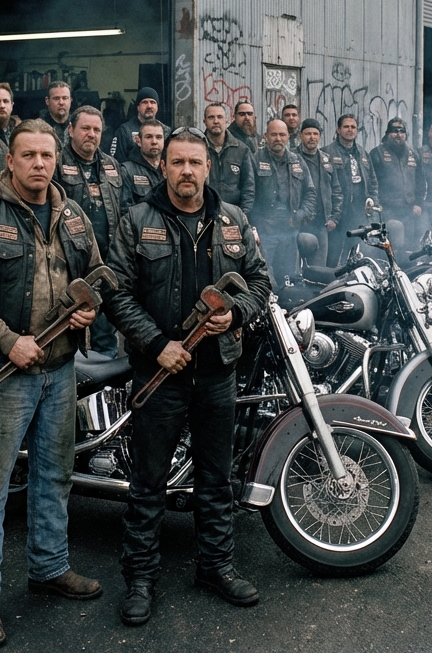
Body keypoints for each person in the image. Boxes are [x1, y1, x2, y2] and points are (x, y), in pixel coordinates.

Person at [0, 120, 103, 649]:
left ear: (57, 160)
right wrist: (6, 339)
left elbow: (97, 276)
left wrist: (87, 311)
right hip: (3, 374)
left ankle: (49, 567)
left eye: (47, 155)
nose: (39, 163)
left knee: (55, 478)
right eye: (28, 155)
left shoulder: (73, 215)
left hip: (59, 372)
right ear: (9, 161)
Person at [106, 127, 271, 626]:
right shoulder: (137, 220)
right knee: (148, 481)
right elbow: (116, 293)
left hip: (218, 371)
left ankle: (215, 567)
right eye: (177, 162)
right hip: (161, 373)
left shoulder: (234, 220)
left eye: (195, 163)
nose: (186, 172)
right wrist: (159, 346)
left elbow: (261, 281)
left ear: (208, 167)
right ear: (163, 166)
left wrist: (235, 314)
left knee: (216, 479)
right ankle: (140, 579)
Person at [60, 106, 123, 358]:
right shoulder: (56, 162)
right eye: (85, 128)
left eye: (96, 130)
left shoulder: (113, 166)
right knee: (66, 328)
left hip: (106, 262)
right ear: (71, 130)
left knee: (104, 332)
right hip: (68, 263)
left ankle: (103, 388)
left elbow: (126, 209)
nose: (91, 134)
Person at [252, 119, 317, 285]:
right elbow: (248, 194)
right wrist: (254, 224)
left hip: (290, 231)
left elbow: (310, 192)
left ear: (288, 136)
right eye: (273, 134)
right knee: (265, 279)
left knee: (289, 279)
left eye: (282, 134)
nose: (278, 139)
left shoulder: (297, 161)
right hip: (265, 232)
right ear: (266, 136)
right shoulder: (255, 159)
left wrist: (300, 215)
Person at [322, 115, 379, 264]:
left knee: (356, 251)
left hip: (359, 211)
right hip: (338, 211)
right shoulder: (327, 152)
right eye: (346, 127)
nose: (350, 130)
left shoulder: (363, 153)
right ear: (338, 129)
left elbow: (373, 182)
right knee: (333, 253)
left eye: (353, 127)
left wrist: (373, 207)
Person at [370, 118, 424, 249]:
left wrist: (418, 203)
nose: (398, 134)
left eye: (402, 131)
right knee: (390, 247)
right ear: (387, 133)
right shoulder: (377, 153)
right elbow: (371, 183)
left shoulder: (414, 154)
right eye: (394, 131)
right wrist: (376, 208)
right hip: (386, 210)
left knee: (408, 247)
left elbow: (421, 181)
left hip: (408, 210)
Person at [296, 118, 342, 265]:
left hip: (321, 224)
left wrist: (334, 218)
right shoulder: (292, 158)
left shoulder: (326, 160)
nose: (312, 137)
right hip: (299, 223)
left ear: (320, 136)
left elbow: (337, 191)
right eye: (308, 133)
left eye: (315, 134)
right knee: (294, 268)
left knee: (318, 269)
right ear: (300, 135)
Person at [203, 103, 255, 214]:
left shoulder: (241, 150)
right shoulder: (198, 148)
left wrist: (242, 215)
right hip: (204, 213)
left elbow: (248, 188)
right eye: (211, 117)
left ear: (228, 121)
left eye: (220, 117)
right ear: (204, 122)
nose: (216, 121)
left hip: (233, 214)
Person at [110, 88, 169, 163]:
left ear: (157, 107)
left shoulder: (166, 130)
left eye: (153, 102)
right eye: (144, 102)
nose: (149, 106)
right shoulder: (124, 131)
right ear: (138, 107)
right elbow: (116, 162)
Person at [120, 121, 165, 210]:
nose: (154, 142)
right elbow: (125, 211)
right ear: (138, 141)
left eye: (159, 137)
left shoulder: (170, 169)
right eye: (149, 137)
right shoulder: (126, 171)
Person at [38, 80, 73, 148]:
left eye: (65, 98)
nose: (61, 102)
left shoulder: (77, 125)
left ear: (70, 100)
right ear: (47, 101)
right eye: (56, 98)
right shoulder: (38, 127)